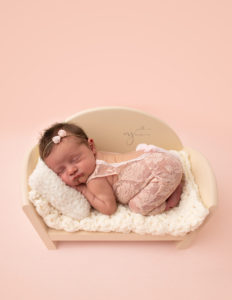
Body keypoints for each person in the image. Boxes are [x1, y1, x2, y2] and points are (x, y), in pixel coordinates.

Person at [39, 122, 184, 216]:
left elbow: (109, 208)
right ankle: (173, 182)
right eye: (61, 171)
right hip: (163, 159)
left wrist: (83, 190)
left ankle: (171, 201)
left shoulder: (95, 180)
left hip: (162, 171)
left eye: (75, 160)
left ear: (91, 147)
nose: (71, 170)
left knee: (137, 207)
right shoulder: (101, 156)